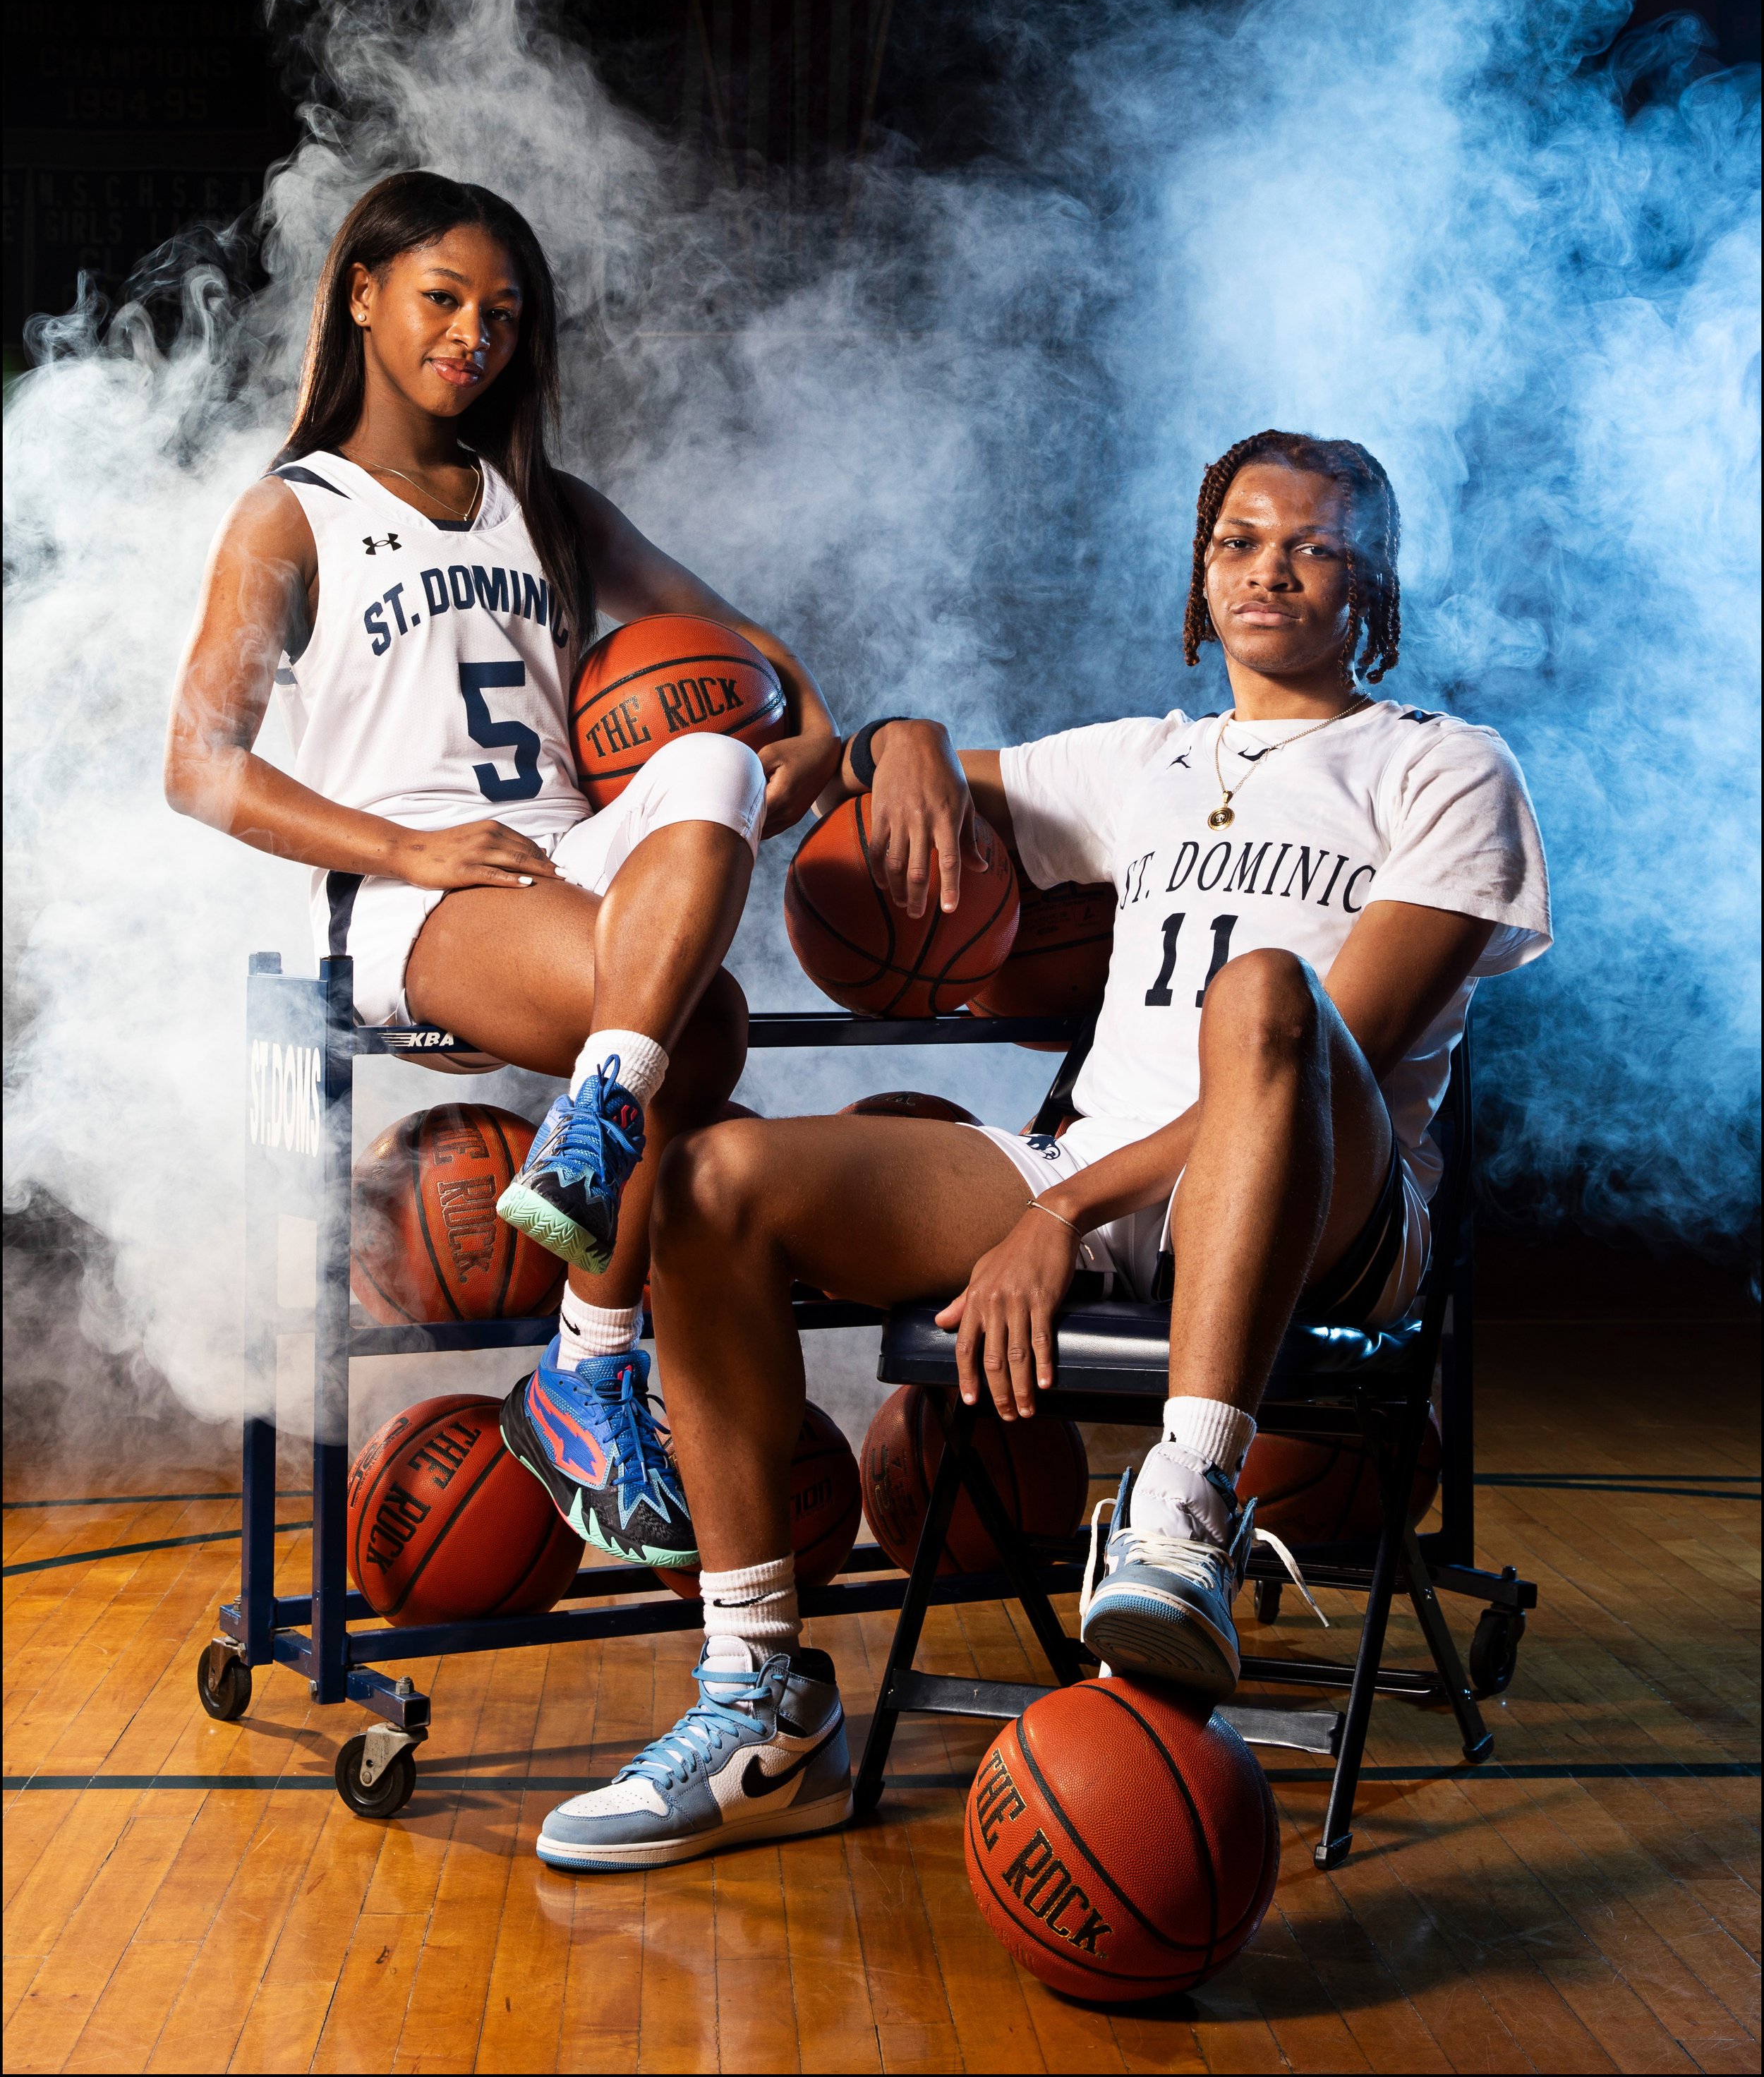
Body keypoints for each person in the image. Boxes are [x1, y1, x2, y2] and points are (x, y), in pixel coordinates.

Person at [528, 427, 1552, 1873]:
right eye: (1237, 541)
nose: (1270, 568)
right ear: (1199, 584)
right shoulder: (1142, 761)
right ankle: (758, 1698)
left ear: (1372, 591)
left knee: (1262, 990)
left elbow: (1350, 1043)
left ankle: (1183, 1502)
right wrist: (914, 751)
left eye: (1313, 544)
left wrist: (1057, 1217)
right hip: (1095, 1174)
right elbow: (888, 752)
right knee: (708, 1188)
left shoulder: (1444, 769)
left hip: (1322, 1211)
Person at [164, 169, 840, 1571]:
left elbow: (742, 653)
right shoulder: (291, 514)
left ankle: (583, 1314)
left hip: (558, 868)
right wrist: (404, 844)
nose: (474, 335)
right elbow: (200, 763)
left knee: (711, 765)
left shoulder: (545, 502)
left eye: (504, 313)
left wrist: (814, 728)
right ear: (362, 295)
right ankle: (588, 1361)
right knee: (693, 1028)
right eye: (442, 299)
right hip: (407, 892)